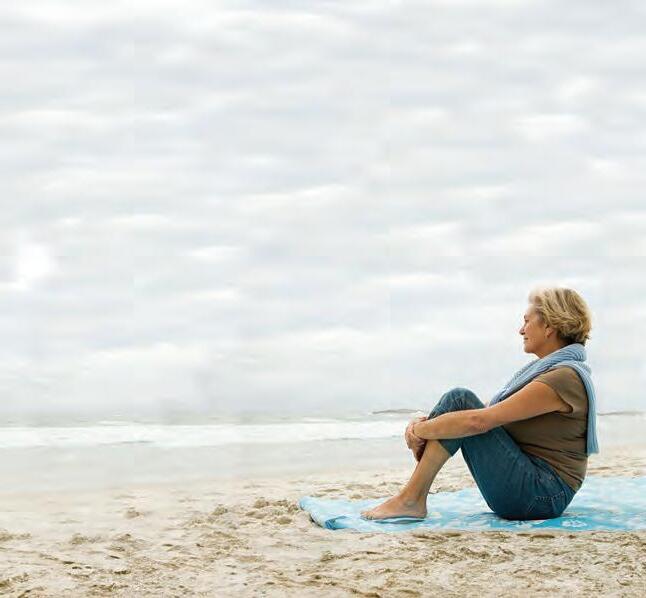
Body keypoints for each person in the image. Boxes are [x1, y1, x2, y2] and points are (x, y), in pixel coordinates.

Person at [361, 286, 596, 521]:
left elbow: (478, 420)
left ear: (549, 326)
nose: (521, 330)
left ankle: (411, 499)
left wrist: (419, 431)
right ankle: (411, 498)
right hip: (535, 489)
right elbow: (483, 410)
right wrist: (427, 424)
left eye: (527, 321)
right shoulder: (550, 372)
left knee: (459, 399)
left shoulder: (563, 378)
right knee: (459, 404)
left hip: (541, 495)